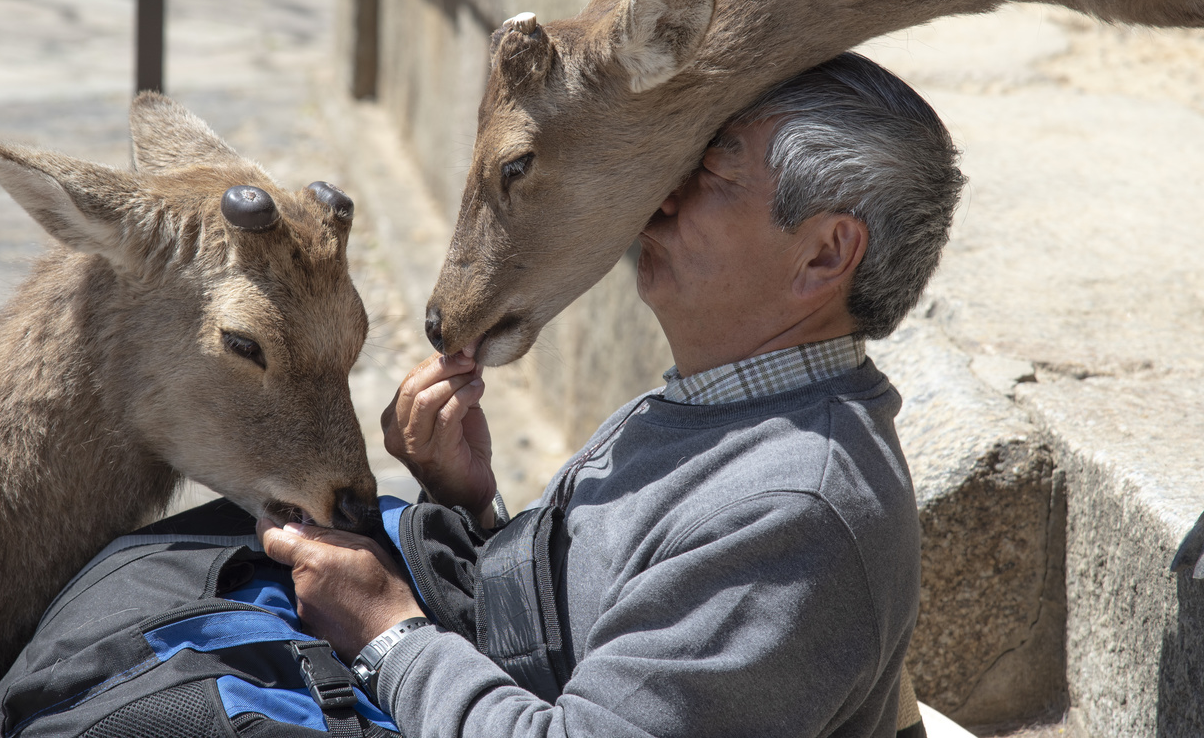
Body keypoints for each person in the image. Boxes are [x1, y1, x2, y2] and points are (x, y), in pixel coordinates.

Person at [259, 52, 966, 738]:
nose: (661, 199)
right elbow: (574, 637)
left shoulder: (791, 519)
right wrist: (470, 505)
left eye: (714, 172)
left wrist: (388, 632)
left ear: (824, 254)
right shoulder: (729, 401)